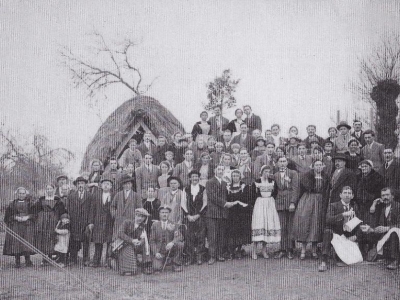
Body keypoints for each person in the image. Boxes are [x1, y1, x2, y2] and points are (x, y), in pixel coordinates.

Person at [291, 160, 329, 260]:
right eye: (316, 165)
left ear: (323, 166)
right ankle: (303, 250)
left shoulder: (326, 177)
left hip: (320, 201)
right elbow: (302, 188)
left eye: (320, 165)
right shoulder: (307, 176)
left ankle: (314, 250)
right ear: (313, 166)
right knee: (306, 223)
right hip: (308, 200)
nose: (318, 167)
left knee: (316, 225)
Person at [318, 186, 361, 272]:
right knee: (327, 232)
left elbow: (359, 223)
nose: (347, 195)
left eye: (349, 193)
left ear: (352, 196)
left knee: (350, 259)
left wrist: (356, 236)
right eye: (345, 193)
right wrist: (343, 215)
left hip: (348, 235)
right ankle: (324, 261)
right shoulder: (333, 205)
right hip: (336, 234)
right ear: (340, 195)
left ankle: (338, 256)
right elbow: (328, 219)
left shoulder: (355, 207)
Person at [206, 164, 235, 264]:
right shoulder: (209, 182)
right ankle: (212, 256)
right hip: (213, 212)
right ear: (215, 170)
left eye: (222, 169)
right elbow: (212, 196)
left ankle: (219, 254)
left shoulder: (224, 183)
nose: (220, 171)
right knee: (212, 235)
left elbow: (227, 196)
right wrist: (225, 203)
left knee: (221, 235)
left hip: (223, 213)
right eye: (218, 169)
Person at [250, 165, 280, 259]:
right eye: (265, 171)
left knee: (267, 225)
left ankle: (264, 250)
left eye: (268, 171)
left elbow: (275, 193)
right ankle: (254, 251)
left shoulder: (272, 182)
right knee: (259, 225)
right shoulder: (257, 181)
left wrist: (270, 201)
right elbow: (252, 194)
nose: (267, 173)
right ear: (262, 172)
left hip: (270, 204)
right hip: (260, 204)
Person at [33, 184, 67, 265]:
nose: (49, 190)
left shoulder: (58, 200)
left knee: (52, 237)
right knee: (44, 238)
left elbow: (62, 211)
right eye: (47, 189)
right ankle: (45, 258)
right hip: (43, 222)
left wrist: (62, 219)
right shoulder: (41, 199)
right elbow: (35, 209)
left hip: (54, 221)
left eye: (50, 189)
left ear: (54, 190)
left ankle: (53, 256)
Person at [367, 188, 400, 270]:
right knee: (370, 231)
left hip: (397, 234)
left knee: (394, 232)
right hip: (386, 235)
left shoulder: (398, 206)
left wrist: (388, 228)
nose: (385, 197)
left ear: (392, 196)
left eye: (387, 195)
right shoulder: (382, 208)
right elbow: (375, 223)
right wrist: (374, 205)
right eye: (383, 195)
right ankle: (378, 255)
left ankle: (395, 260)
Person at [274, 157, 299, 259]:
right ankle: (282, 249)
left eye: (284, 161)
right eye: (280, 161)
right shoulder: (275, 175)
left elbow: (295, 189)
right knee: (282, 226)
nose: (282, 163)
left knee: (290, 226)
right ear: (277, 163)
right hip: (280, 202)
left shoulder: (293, 173)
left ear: (287, 162)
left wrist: (293, 202)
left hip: (289, 201)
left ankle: (290, 249)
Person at [3, 187, 35, 268]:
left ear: (26, 194)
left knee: (27, 242)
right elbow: (7, 216)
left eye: (23, 193)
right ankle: (17, 261)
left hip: (27, 225)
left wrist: (27, 217)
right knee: (16, 243)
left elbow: (35, 214)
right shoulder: (12, 204)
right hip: (16, 225)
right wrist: (15, 218)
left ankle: (28, 260)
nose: (21, 195)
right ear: (17, 194)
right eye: (20, 193)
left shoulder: (30, 203)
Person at [64, 176, 93, 266]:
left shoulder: (89, 195)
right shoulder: (71, 195)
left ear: (85, 185)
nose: (80, 185)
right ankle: (73, 258)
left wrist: (90, 222)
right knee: (73, 241)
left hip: (85, 222)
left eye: (82, 183)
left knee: (86, 241)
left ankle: (86, 259)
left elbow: (92, 210)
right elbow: (67, 209)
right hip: (74, 221)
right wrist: (68, 219)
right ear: (76, 185)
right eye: (79, 183)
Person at [115, 208, 152, 275]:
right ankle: (126, 267)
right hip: (122, 245)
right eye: (138, 216)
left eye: (142, 217)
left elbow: (144, 238)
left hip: (135, 246)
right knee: (132, 270)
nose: (140, 218)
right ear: (135, 215)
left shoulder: (143, 226)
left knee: (145, 245)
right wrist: (132, 240)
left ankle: (146, 265)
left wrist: (140, 242)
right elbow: (120, 234)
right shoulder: (127, 223)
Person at [225, 170, 253, 259]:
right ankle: (231, 250)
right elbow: (226, 198)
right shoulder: (228, 187)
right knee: (232, 231)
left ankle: (239, 250)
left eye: (237, 175)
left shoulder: (244, 186)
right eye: (233, 176)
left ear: (240, 177)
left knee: (241, 231)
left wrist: (241, 203)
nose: (235, 177)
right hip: (231, 213)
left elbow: (248, 198)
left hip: (242, 212)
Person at [181, 170, 207, 265]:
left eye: (196, 177)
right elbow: (183, 203)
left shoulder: (203, 189)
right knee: (189, 237)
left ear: (199, 178)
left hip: (199, 216)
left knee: (201, 236)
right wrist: (187, 215)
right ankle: (190, 257)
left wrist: (198, 215)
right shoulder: (186, 189)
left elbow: (205, 203)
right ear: (190, 178)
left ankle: (199, 257)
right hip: (188, 217)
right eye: (193, 177)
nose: (195, 178)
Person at [150, 205, 184, 273]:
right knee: (156, 268)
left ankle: (175, 263)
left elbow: (180, 237)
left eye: (166, 212)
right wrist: (156, 252)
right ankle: (163, 261)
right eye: (162, 212)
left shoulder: (173, 224)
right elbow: (152, 241)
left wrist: (172, 242)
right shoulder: (155, 225)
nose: (164, 214)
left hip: (170, 250)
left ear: (169, 214)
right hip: (159, 251)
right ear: (159, 214)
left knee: (180, 244)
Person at [89, 177, 114, 268]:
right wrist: (91, 222)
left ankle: (108, 261)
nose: (106, 185)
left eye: (108, 184)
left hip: (109, 221)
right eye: (104, 184)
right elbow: (92, 209)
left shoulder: (114, 195)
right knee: (98, 242)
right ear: (101, 186)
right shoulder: (96, 195)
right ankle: (96, 260)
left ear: (111, 186)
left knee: (109, 242)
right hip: (98, 221)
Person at [110, 174, 142, 241]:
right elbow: (112, 206)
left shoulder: (136, 196)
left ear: (131, 185)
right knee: (117, 240)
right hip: (119, 221)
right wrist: (115, 214)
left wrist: (136, 219)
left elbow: (140, 210)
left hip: (130, 221)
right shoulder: (118, 194)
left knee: (129, 240)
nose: (127, 186)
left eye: (129, 184)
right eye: (125, 184)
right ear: (123, 185)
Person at [355, 160, 384, 226]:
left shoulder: (378, 177)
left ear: (371, 167)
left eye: (366, 166)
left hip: (372, 205)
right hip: (360, 205)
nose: (363, 168)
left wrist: (374, 204)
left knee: (370, 224)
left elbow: (379, 194)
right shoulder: (358, 177)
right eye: (362, 167)